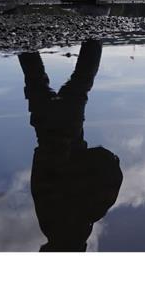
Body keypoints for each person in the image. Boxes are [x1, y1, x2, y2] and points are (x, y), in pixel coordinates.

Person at [18, 40, 123, 251]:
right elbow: (39, 179)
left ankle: (94, 28)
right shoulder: (54, 224)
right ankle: (18, 28)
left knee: (80, 81)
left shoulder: (85, 220)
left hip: (67, 130)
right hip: (49, 131)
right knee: (37, 80)